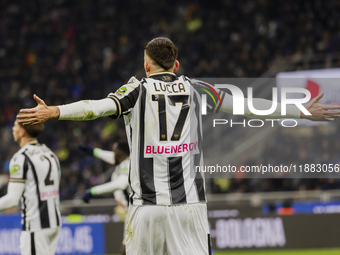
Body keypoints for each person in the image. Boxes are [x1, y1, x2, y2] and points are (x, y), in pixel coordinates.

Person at [17, 37, 340, 254]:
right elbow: (247, 105)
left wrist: (54, 111)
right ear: (177, 64)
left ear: (146, 65)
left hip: (145, 210)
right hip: (190, 209)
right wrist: (300, 110)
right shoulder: (197, 89)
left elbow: (96, 107)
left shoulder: (136, 90)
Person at [0, 119, 61, 255]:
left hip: (36, 226)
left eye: (15, 126)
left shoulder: (20, 158)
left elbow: (12, 199)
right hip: (54, 223)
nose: (12, 129)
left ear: (22, 132)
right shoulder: (50, 153)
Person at [79, 141, 130, 255]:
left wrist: (93, 191)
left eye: (115, 151)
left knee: (126, 250)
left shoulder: (127, 165)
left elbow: (121, 184)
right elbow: (112, 157)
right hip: (131, 212)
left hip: (135, 213)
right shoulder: (125, 161)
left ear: (120, 153)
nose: (113, 154)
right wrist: (94, 152)